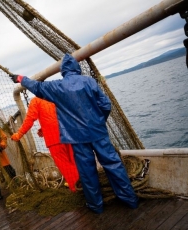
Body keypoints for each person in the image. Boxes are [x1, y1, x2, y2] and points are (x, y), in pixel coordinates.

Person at [9, 53, 138, 214]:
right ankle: (130, 200)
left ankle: (96, 206)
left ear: (63, 71)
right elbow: (105, 105)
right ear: (77, 69)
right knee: (113, 164)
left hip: (76, 138)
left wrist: (21, 78)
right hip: (98, 133)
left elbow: (37, 87)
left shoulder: (58, 86)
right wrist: (98, 122)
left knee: (87, 171)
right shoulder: (89, 82)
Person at [10, 96, 79, 192]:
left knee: (65, 165)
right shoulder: (52, 96)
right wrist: (43, 129)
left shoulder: (35, 101)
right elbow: (57, 115)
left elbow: (29, 119)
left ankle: (76, 189)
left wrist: (19, 134)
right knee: (73, 161)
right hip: (67, 134)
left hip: (54, 139)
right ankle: (83, 184)